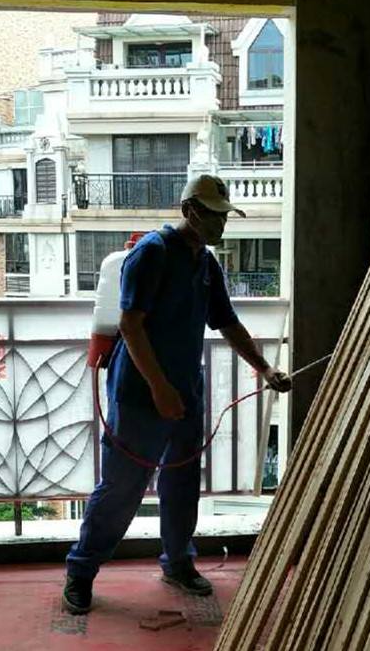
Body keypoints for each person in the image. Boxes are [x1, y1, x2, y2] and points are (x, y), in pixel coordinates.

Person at [63, 174, 291, 614]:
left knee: (182, 481)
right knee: (122, 487)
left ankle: (178, 562)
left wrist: (264, 368)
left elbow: (226, 322)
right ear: (189, 211)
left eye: (224, 217)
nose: (220, 225)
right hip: (140, 393)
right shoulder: (153, 253)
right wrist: (160, 388)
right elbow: (130, 326)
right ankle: (81, 571)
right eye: (213, 216)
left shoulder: (205, 262)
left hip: (185, 390)